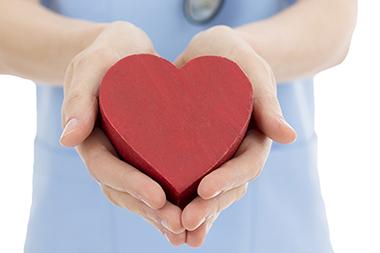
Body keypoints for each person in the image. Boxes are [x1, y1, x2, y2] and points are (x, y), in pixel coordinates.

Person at [0, 0, 357, 252]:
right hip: (80, 217)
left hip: (274, 217)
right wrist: (87, 51)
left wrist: (252, 51)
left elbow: (334, 17)